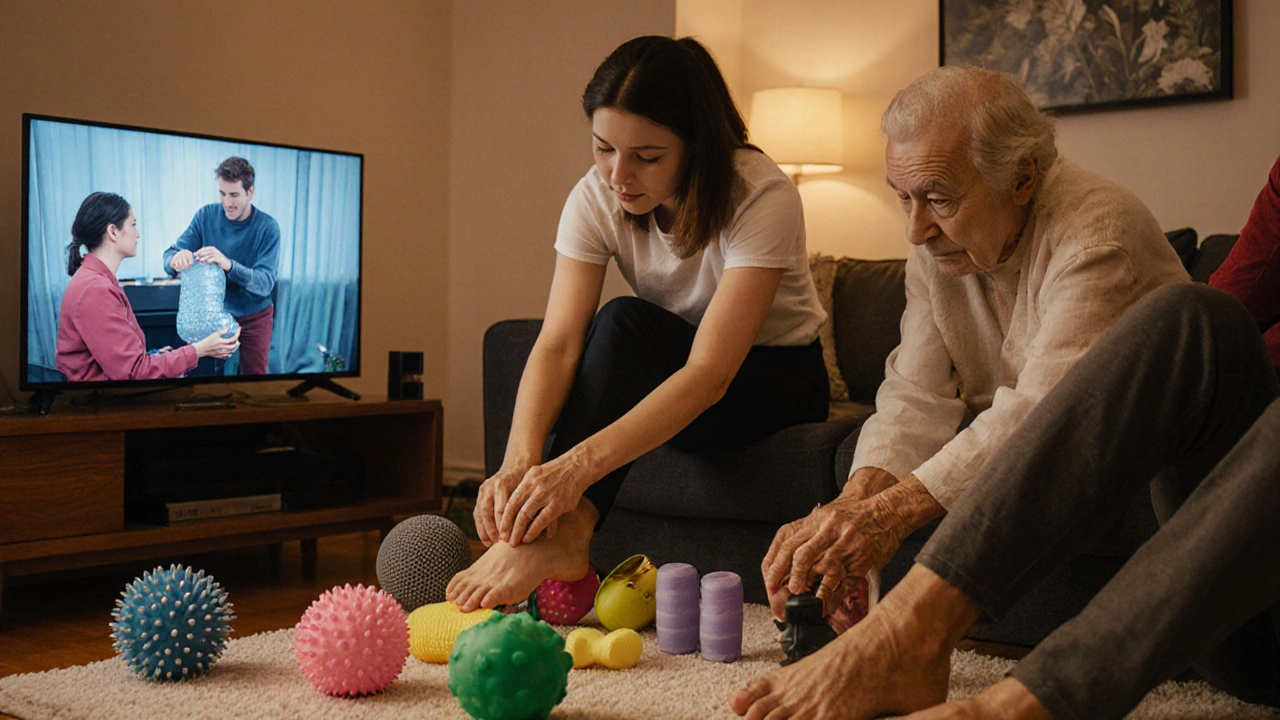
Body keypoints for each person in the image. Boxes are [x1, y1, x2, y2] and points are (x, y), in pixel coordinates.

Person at [758, 65, 1190, 624]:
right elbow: (915, 394)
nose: (915, 231)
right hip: (1051, 436)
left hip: (1136, 448)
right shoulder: (936, 248)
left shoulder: (1098, 237)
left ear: (1022, 179)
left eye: (938, 199)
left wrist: (885, 518)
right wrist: (848, 512)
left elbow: (1041, 417)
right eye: (903, 198)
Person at [446, 35, 830, 612]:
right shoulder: (595, 195)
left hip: (771, 383)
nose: (618, 176)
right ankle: (559, 539)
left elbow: (710, 374)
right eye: (604, 148)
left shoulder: (761, 194)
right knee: (616, 324)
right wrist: (518, 464)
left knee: (625, 321)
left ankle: (565, 533)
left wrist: (573, 470)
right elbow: (559, 342)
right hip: (672, 371)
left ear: (697, 147)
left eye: (647, 157)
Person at [56, 192, 241, 381]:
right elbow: (134, 372)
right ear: (113, 231)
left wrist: (154, 357)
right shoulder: (95, 290)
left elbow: (125, 362)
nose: (137, 234)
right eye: (133, 225)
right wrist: (199, 349)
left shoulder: (96, 280)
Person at [164, 156, 280, 375]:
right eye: (222, 193)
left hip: (255, 316)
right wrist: (177, 258)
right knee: (202, 379)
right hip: (211, 317)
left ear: (250, 192)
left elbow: (265, 283)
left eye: (234, 195)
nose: (227, 202)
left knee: (255, 379)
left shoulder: (268, 228)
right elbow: (168, 257)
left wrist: (228, 265)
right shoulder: (205, 216)